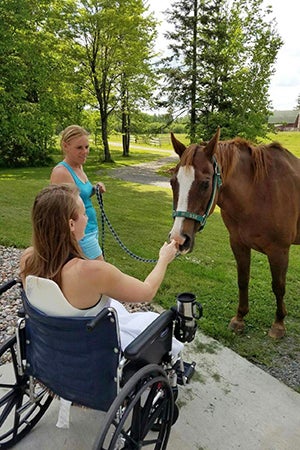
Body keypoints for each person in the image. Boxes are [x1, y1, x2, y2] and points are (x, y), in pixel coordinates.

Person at [20, 184, 183, 354]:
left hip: (53, 348)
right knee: (152, 320)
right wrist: (164, 259)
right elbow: (147, 292)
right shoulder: (92, 272)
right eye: (83, 213)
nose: (87, 218)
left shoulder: (27, 259)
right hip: (91, 353)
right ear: (71, 225)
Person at [50, 125, 104, 260]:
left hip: (90, 227)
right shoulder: (61, 172)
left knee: (91, 276)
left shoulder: (79, 166)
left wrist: (94, 189)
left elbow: (79, 197)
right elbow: (60, 210)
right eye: (79, 148)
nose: (85, 151)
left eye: (86, 147)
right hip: (81, 235)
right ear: (65, 146)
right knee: (103, 272)